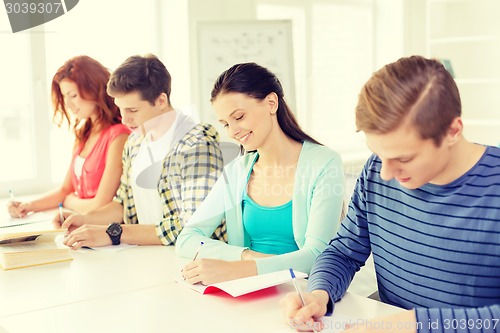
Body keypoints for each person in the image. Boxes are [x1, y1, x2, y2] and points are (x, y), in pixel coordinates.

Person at [281, 55, 500, 332]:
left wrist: (416, 323)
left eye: (404, 158)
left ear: (452, 131)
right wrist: (318, 294)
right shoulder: (377, 171)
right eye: (378, 154)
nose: (386, 173)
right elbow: (343, 252)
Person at [177, 62, 344, 285]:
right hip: (249, 289)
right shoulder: (236, 172)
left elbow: (317, 256)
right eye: (225, 124)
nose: (233, 132)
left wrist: (240, 269)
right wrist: (244, 257)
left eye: (239, 117)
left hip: (303, 293)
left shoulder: (324, 163)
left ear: (271, 103)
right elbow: (187, 239)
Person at [56, 54, 224, 248]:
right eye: (121, 109)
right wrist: (85, 219)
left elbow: (192, 227)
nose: (125, 120)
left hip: (195, 262)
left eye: (133, 111)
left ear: (161, 101)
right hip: (150, 256)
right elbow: (123, 204)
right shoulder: (135, 143)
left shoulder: (197, 145)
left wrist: (114, 233)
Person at [7, 55, 130, 217]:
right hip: (79, 222)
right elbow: (65, 190)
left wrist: (69, 201)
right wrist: (28, 205)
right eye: (65, 97)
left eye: (73, 95)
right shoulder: (84, 134)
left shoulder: (119, 136)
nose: (68, 105)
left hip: (100, 230)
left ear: (95, 89)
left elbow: (100, 205)